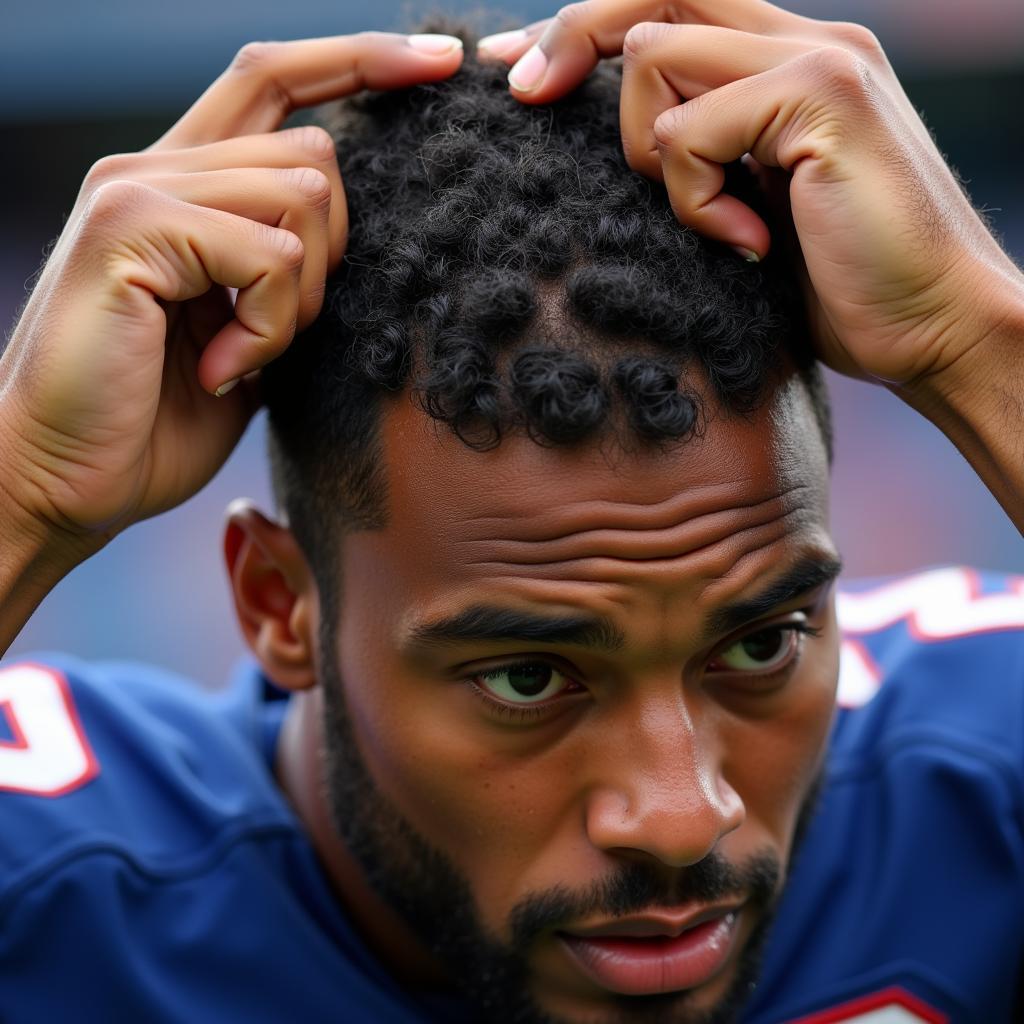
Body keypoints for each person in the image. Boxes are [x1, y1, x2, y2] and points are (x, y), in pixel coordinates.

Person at [0, 2, 1022, 1021]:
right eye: (528, 677)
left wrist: (972, 339)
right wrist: (24, 487)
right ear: (282, 604)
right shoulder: (58, 892)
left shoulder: (972, 789)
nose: (678, 818)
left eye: (760, 645)